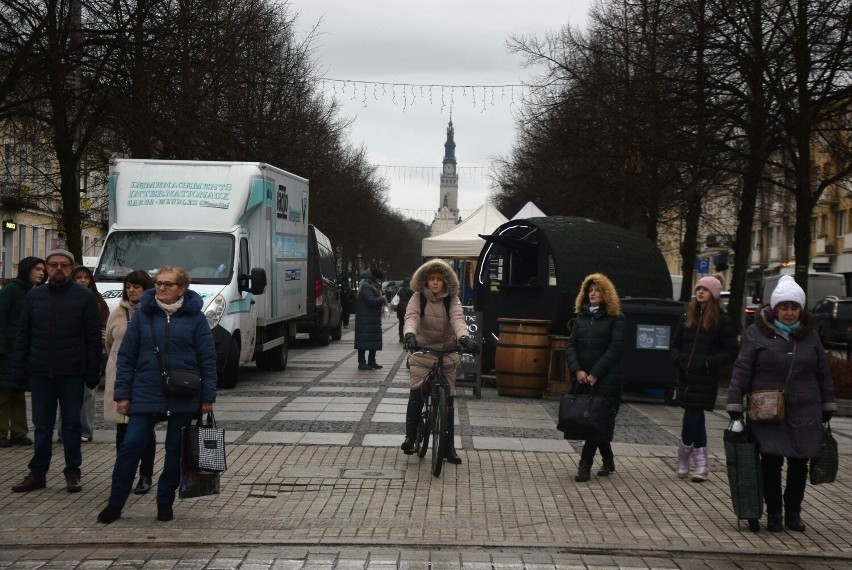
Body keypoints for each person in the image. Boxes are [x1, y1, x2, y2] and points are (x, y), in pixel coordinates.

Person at [97, 266, 217, 524]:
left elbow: (207, 359)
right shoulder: (142, 315)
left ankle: (165, 502)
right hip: (146, 391)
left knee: (176, 451)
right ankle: (115, 503)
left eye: (168, 284)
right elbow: (126, 358)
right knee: (130, 447)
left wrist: (207, 398)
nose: (161, 288)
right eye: (158, 283)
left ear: (181, 289)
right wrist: (122, 395)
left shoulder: (196, 318)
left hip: (183, 393)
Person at [726, 275, 836, 534]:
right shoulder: (756, 334)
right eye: (784, 307)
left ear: (801, 309)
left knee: (799, 464)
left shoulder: (810, 337)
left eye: (794, 307)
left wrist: (828, 404)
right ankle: (774, 513)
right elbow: (742, 370)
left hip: (805, 410)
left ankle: (793, 512)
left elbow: (823, 372)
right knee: (771, 463)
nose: (789, 312)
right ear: (775, 309)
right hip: (768, 411)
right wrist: (734, 402)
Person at [10, 249, 102, 493]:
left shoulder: (84, 297)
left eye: (64, 265)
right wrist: (19, 368)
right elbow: (23, 334)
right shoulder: (34, 296)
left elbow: (93, 338)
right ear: (47, 268)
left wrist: (93, 371)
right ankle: (37, 473)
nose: (58, 269)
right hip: (39, 371)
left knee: (71, 425)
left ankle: (73, 472)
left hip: (72, 371)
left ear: (71, 269)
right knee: (42, 426)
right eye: (53, 265)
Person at [400, 260, 478, 464]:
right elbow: (412, 317)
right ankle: (410, 437)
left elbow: (458, 319)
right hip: (423, 351)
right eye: (431, 279)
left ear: (445, 282)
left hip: (447, 352)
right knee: (417, 394)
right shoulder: (418, 298)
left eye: (439, 280)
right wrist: (410, 335)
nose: (435, 283)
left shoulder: (452, 299)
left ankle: (448, 447)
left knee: (449, 401)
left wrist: (464, 338)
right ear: (425, 281)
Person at [671, 276, 738, 482]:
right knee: (697, 419)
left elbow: (730, 352)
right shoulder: (686, 317)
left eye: (705, 289)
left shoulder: (722, 320)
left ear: (714, 294)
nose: (700, 292)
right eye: (698, 288)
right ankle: (701, 465)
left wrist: (707, 362)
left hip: (705, 378)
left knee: (691, 416)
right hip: (686, 376)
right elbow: (675, 344)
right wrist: (678, 359)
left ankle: (683, 456)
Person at [565, 273, 626, 482]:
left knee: (596, 422)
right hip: (583, 379)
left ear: (606, 293)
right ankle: (608, 459)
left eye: (597, 290)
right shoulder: (581, 318)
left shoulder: (616, 318)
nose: (593, 294)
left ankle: (585, 465)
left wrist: (596, 374)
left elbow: (615, 348)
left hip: (607, 381)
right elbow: (571, 345)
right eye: (589, 290)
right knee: (593, 422)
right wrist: (578, 370)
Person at [103, 270, 157, 495]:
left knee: (145, 429)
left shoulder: (154, 313)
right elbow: (108, 343)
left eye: (137, 286)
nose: (132, 290)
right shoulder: (116, 313)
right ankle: (122, 473)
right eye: (128, 286)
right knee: (121, 430)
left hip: (145, 378)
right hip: (120, 376)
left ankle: (145, 475)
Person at [0, 257, 45, 448]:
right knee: (3, 394)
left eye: (43, 270)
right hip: (7, 349)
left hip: (23, 350)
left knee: (18, 392)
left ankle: (19, 431)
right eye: (37, 269)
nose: (41, 273)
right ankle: (1, 432)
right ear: (27, 270)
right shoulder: (11, 290)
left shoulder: (34, 292)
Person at [71, 265, 109, 443]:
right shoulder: (65, 297)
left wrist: (103, 333)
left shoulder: (98, 300)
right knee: (68, 394)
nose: (83, 281)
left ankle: (85, 431)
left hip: (91, 351)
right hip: (70, 352)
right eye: (79, 278)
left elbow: (105, 322)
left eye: (86, 278)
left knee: (89, 394)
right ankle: (67, 431)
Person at [354, 268, 386, 370]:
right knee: (363, 341)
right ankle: (362, 363)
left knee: (373, 340)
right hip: (365, 319)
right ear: (374, 277)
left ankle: (372, 361)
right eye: (378, 279)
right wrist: (382, 299)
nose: (378, 281)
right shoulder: (366, 286)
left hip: (371, 318)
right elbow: (370, 300)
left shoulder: (370, 284)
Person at [394, 278, 413, 343]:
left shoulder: (400, 289)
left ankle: (401, 337)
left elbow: (397, 298)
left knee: (401, 323)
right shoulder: (411, 290)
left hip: (400, 308)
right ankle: (406, 337)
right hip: (408, 307)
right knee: (407, 323)